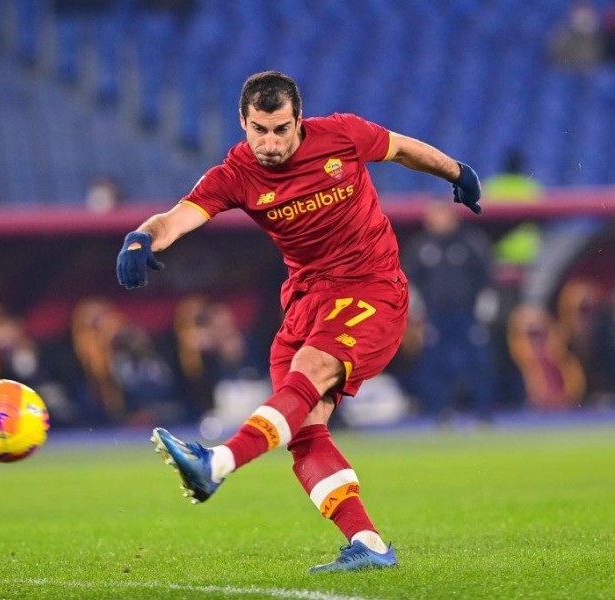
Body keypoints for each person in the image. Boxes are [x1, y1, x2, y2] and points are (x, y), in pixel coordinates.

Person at [116, 71, 482, 573]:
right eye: (259, 130)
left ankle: (215, 465)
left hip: (371, 289)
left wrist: (456, 171)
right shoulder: (236, 173)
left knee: (308, 372)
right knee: (304, 431)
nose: (269, 142)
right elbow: (180, 215)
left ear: (299, 121)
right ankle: (370, 544)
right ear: (242, 123)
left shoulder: (342, 135)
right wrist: (142, 236)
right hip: (306, 303)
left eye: (281, 129)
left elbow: (399, 149)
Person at [401, 202, 494, 423]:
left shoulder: (471, 242)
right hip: (434, 316)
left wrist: (485, 308)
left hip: (467, 314)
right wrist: (415, 310)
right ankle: (439, 412)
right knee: (433, 363)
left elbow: (486, 276)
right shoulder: (421, 246)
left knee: (477, 361)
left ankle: (483, 412)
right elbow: (409, 280)